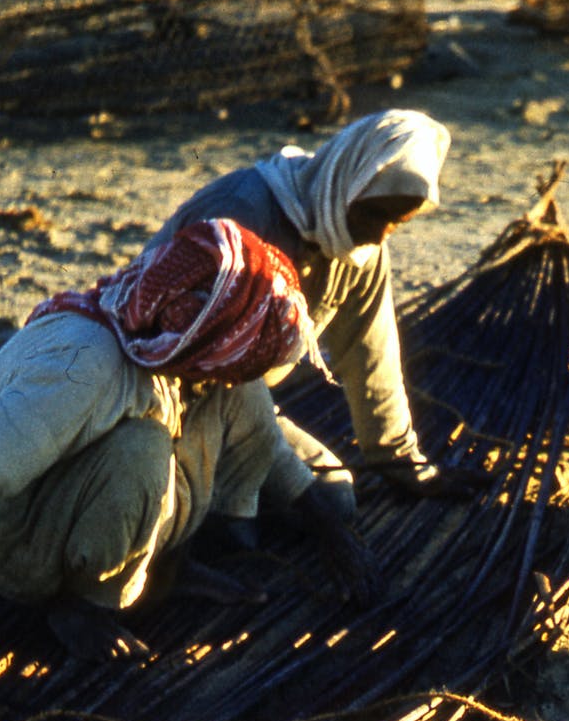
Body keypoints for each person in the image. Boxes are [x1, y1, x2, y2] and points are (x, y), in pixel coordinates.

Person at [0, 218, 377, 719]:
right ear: (215, 336)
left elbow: (267, 443)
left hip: (81, 504)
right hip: (20, 546)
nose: (244, 372)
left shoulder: (170, 340)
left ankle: (165, 566)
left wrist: (329, 529)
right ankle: (78, 605)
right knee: (144, 448)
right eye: (245, 355)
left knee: (235, 398)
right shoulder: (84, 365)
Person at [144, 108, 481, 512]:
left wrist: (401, 461)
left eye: (396, 223)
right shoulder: (243, 213)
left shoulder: (360, 249)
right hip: (159, 401)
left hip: (247, 416)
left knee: (333, 496)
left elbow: (370, 354)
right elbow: (165, 337)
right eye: (375, 214)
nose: (379, 233)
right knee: (210, 518)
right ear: (350, 179)